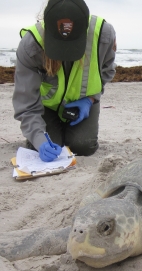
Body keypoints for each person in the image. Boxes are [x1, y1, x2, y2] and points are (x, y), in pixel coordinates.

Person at [13, 0, 116, 162]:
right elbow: (26, 105)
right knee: (45, 144)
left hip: (83, 104)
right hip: (45, 108)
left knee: (83, 146)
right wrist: (39, 140)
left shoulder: (103, 33)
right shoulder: (31, 44)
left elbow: (107, 70)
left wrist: (90, 99)